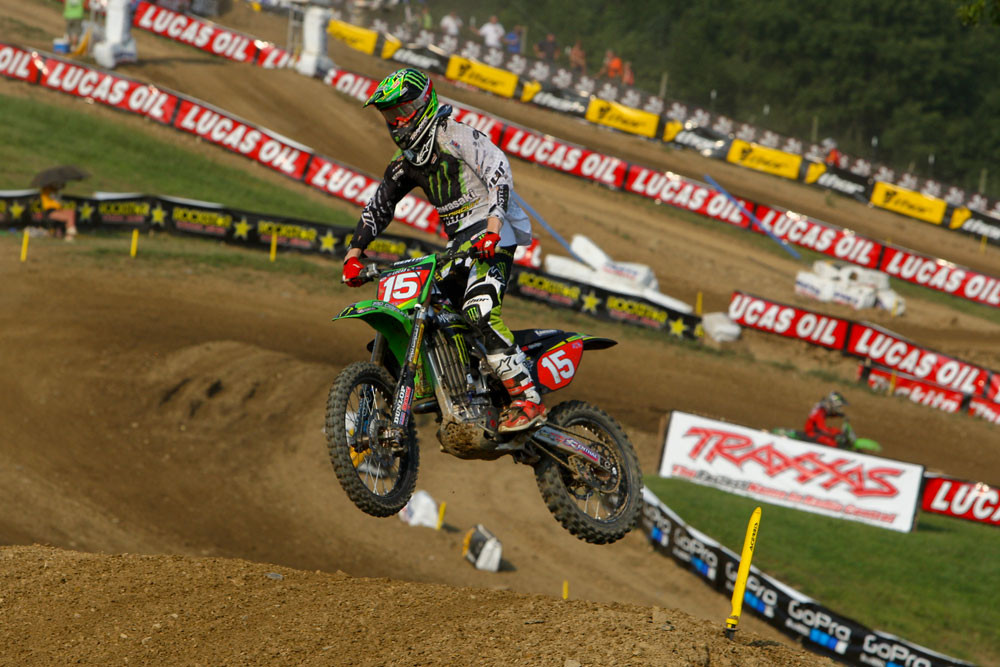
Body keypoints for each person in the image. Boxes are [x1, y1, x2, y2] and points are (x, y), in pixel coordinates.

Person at [341, 68, 545, 433]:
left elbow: (498, 172)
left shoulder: (455, 135)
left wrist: (493, 231)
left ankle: (527, 399)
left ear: (424, 103)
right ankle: (465, 386)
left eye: (403, 111)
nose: (397, 121)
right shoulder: (405, 162)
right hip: (459, 246)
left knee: (479, 310)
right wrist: (353, 255)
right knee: (428, 313)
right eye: (390, 115)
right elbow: (379, 206)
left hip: (493, 235)